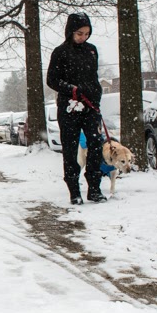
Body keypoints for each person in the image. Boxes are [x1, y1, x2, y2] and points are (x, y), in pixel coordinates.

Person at [46, 13, 105, 205]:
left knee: (96, 144)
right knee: (70, 149)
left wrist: (96, 95)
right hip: (69, 107)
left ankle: (94, 188)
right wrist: (72, 89)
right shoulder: (60, 52)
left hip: (90, 106)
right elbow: (52, 80)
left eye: (87, 34)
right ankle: (74, 191)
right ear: (71, 31)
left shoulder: (91, 51)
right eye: (80, 33)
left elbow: (93, 77)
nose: (83, 37)